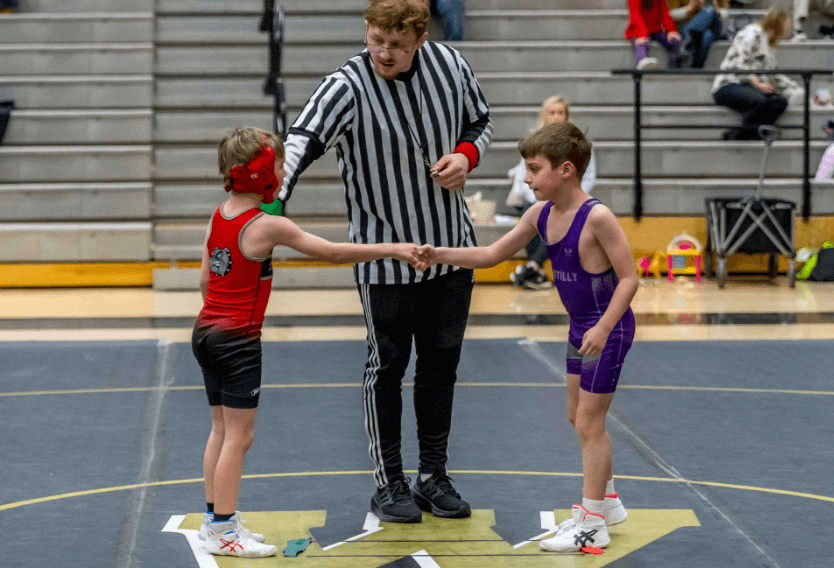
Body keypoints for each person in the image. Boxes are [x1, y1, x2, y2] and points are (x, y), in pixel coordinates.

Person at [262, 0, 493, 523]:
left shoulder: (452, 65)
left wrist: (466, 156)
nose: (383, 53)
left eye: (397, 45)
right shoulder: (346, 84)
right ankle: (389, 481)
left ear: (420, 39)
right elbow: (301, 140)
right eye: (375, 40)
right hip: (383, 254)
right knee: (387, 367)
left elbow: (481, 122)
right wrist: (274, 203)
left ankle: (433, 474)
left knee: (441, 367)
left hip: (452, 247)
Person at [192, 127, 424, 557]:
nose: (283, 172)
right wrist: (393, 248)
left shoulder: (218, 215)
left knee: (220, 431)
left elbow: (206, 279)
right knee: (239, 439)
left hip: (206, 331)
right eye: (279, 165)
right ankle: (224, 531)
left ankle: (215, 520)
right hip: (238, 339)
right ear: (261, 172)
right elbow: (334, 252)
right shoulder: (267, 226)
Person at [421, 122, 637, 552]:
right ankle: (607, 501)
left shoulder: (597, 216)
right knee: (577, 416)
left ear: (567, 170)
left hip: (605, 328)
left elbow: (630, 280)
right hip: (583, 327)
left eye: (534, 169)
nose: (526, 178)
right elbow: (490, 254)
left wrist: (604, 326)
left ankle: (593, 522)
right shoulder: (540, 214)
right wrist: (436, 254)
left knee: (591, 424)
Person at [506, 96, 597, 290]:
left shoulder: (579, 143)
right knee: (533, 213)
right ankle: (535, 269)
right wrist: (539, 198)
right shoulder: (533, 142)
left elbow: (588, 177)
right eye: (552, 112)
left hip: (570, 200)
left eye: (560, 112)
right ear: (544, 116)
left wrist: (569, 196)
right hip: (538, 198)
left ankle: (532, 268)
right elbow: (525, 176)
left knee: (559, 217)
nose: (556, 116)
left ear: (566, 116)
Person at [712, 7, 801, 141]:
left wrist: (798, 89)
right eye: (786, 24)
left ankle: (756, 132)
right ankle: (736, 135)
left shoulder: (768, 46)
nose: (787, 29)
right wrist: (758, 84)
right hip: (729, 84)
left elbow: (774, 76)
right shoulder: (753, 32)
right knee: (760, 101)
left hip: (750, 87)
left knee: (780, 101)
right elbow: (740, 63)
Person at [669, 0, 729, 68]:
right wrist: (690, 8)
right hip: (694, 27)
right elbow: (671, 14)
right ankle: (697, 65)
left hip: (713, 26)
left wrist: (715, 9)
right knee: (707, 35)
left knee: (709, 9)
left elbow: (726, 13)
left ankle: (687, 36)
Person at [626, 0, 683, 70]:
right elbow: (635, 15)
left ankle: (674, 67)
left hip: (655, 30)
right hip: (637, 30)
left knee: (673, 40)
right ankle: (642, 60)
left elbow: (664, 12)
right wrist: (642, 35)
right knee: (641, 43)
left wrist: (671, 31)